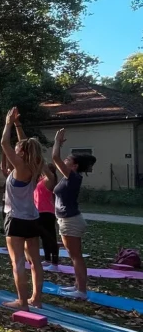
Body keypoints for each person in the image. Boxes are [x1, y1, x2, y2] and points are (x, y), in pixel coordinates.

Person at [0, 107, 44, 308]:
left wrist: (8, 123)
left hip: (16, 219)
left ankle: (23, 302)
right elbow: (24, 143)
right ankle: (37, 299)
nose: (16, 148)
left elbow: (4, 143)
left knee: (17, 262)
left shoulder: (20, 166)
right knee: (35, 262)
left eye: (19, 148)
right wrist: (18, 124)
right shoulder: (34, 165)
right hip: (32, 219)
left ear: (22, 152)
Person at [52, 128, 96, 300]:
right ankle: (78, 286)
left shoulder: (73, 177)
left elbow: (55, 158)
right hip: (67, 219)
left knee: (76, 256)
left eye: (68, 159)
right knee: (74, 255)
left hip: (70, 220)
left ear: (75, 166)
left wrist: (57, 141)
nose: (64, 160)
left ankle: (82, 291)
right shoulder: (68, 177)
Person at [35, 164, 60, 271]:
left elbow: (44, 169)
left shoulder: (50, 180)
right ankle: (47, 259)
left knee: (51, 237)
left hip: (47, 212)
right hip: (38, 211)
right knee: (44, 237)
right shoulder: (41, 179)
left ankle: (55, 263)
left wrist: (40, 160)